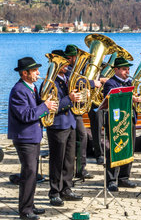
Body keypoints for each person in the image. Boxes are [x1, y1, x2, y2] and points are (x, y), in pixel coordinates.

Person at [8, 57, 58, 220]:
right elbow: (25, 115)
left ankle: (30, 204)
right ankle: (25, 210)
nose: (38, 73)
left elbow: (36, 108)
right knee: (28, 173)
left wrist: (47, 103)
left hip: (33, 136)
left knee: (32, 173)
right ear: (24, 73)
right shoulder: (19, 90)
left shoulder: (31, 87)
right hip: (24, 138)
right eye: (34, 70)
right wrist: (45, 107)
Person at [45, 50, 83, 207]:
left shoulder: (68, 79)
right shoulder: (49, 82)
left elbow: (74, 100)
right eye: (64, 62)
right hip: (58, 125)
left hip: (71, 123)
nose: (68, 65)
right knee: (56, 161)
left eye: (67, 62)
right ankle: (54, 192)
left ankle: (66, 189)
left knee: (69, 160)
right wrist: (69, 98)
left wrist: (81, 97)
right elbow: (51, 107)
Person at [103, 57, 141, 192]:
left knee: (129, 148)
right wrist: (131, 97)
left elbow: (130, 98)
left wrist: (137, 99)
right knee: (115, 149)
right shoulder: (110, 83)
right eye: (124, 69)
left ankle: (124, 177)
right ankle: (111, 180)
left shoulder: (129, 82)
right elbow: (111, 101)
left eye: (128, 69)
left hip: (129, 120)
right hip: (115, 122)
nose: (127, 71)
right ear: (116, 70)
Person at [65, 44, 102, 173]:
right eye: (76, 57)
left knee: (82, 136)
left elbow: (80, 81)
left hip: (79, 106)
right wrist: (92, 83)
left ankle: (82, 167)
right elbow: (72, 82)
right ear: (71, 58)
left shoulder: (78, 69)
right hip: (70, 109)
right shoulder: (67, 70)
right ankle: (80, 168)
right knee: (81, 136)